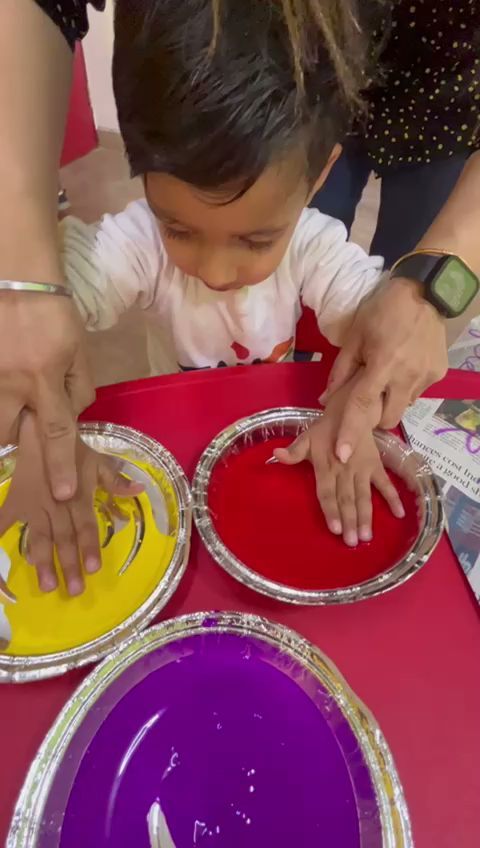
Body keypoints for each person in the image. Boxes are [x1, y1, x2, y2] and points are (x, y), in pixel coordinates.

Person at [0, 0, 406, 596]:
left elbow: (377, 319)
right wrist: (38, 420)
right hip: (179, 435)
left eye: (256, 240)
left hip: (270, 453)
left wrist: (359, 406)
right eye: (179, 229)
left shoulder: (313, 244)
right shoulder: (138, 242)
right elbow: (52, 303)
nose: (216, 272)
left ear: (320, 177)